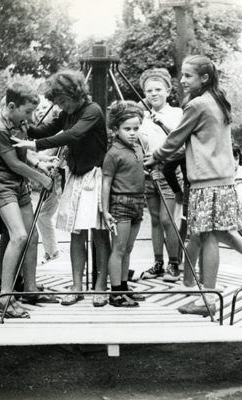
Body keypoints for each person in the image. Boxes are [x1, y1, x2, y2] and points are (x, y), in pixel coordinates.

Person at [145, 55, 242, 316]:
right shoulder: (218, 101)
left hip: (205, 183)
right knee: (225, 233)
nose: (182, 80)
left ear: (204, 78)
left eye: (188, 75)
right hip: (223, 180)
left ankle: (208, 299)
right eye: (182, 75)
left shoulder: (197, 105)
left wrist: (154, 157)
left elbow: (176, 138)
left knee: (208, 237)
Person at [12, 70, 111, 307]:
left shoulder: (92, 111)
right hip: (75, 176)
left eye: (64, 100)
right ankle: (76, 286)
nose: (61, 105)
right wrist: (22, 123)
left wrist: (34, 144)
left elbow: (73, 136)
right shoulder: (67, 113)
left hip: (94, 176)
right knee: (76, 234)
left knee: (98, 233)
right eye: (57, 101)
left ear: (75, 93)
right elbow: (44, 130)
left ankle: (100, 287)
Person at [0, 82, 57, 318]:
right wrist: (40, 179)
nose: (31, 117)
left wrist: (40, 164)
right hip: (1, 184)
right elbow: (13, 163)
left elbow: (23, 154)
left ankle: (30, 289)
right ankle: (5, 297)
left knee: (32, 236)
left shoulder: (19, 121)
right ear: (12, 106)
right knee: (19, 236)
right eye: (27, 112)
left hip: (18, 183)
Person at [138, 68, 184, 282]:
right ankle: (158, 263)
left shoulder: (177, 114)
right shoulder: (142, 116)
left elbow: (180, 142)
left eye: (158, 89)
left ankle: (174, 264)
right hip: (148, 172)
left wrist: (160, 123)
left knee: (168, 220)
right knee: (155, 219)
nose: (153, 93)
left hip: (169, 171)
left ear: (168, 91)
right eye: (149, 90)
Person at [101, 101, 148, 307]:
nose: (132, 133)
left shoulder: (138, 147)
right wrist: (105, 210)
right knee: (118, 249)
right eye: (127, 129)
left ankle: (124, 285)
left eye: (136, 129)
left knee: (128, 249)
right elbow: (106, 182)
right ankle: (116, 293)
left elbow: (137, 169)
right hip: (120, 203)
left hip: (138, 201)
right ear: (115, 129)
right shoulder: (113, 153)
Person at [33, 95, 62, 265]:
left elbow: (48, 154)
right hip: (48, 179)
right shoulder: (40, 129)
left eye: (45, 107)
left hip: (56, 180)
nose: (41, 111)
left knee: (44, 215)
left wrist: (30, 153)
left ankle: (52, 251)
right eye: (38, 109)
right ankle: (51, 251)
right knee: (43, 215)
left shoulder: (56, 131)